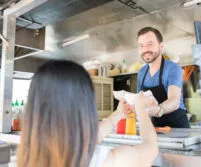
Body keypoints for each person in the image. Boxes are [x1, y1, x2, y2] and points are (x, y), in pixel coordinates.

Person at [17, 60, 158, 167]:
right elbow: (151, 149)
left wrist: (118, 114)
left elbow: (88, 138)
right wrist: (140, 107)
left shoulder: (29, 156)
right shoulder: (102, 160)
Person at [137, 27, 190, 128]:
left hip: (177, 130)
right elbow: (140, 101)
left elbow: (174, 101)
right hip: (155, 130)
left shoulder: (173, 68)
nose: (145, 49)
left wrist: (157, 110)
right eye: (141, 46)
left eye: (150, 44)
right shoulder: (141, 73)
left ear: (161, 46)